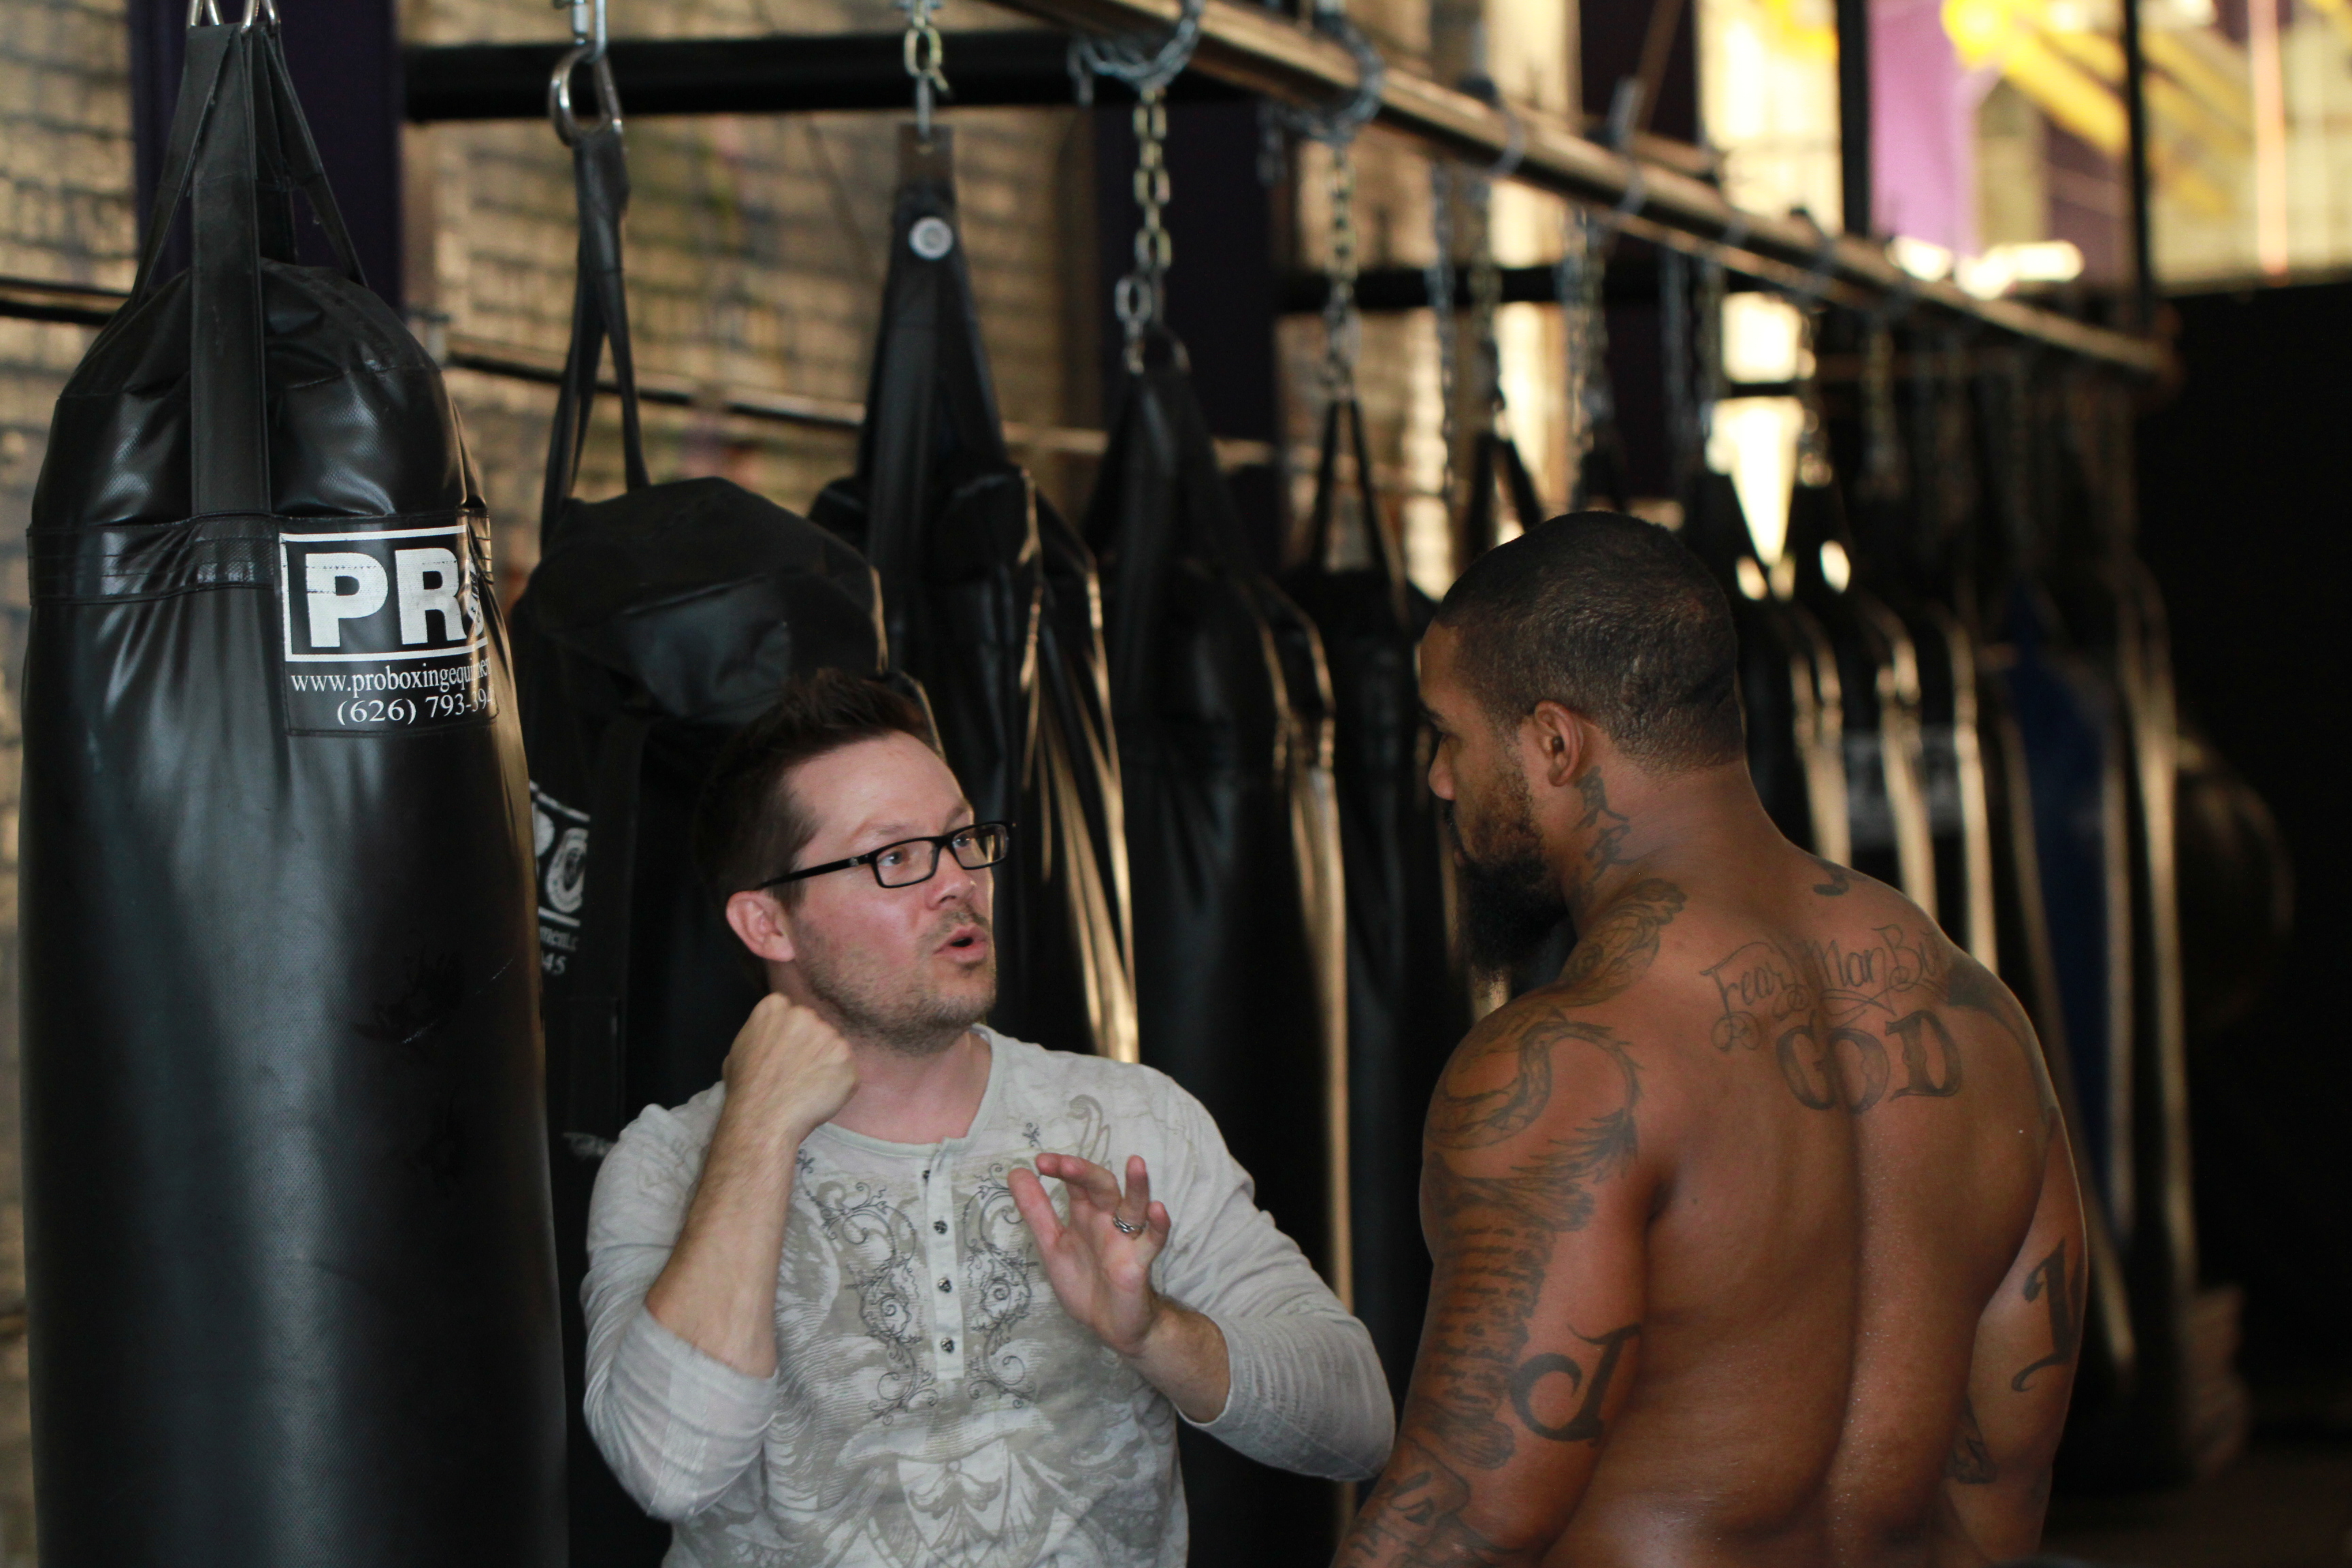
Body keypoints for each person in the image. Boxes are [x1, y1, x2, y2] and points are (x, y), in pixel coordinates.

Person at [1337, 514, 2086, 1567]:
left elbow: (1463, 1522)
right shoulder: (1980, 1022)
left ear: (1557, 741)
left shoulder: (1571, 1066)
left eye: (1449, 733)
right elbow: (2002, 1488)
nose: (1440, 779)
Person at [582, 669, 1392, 1568]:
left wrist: (1154, 1332)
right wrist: (759, 1132)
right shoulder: (667, 1163)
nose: (959, 884)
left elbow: (1357, 1422)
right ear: (767, 922)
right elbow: (670, 1471)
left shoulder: (1131, 1123)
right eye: (896, 858)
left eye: (964, 839)